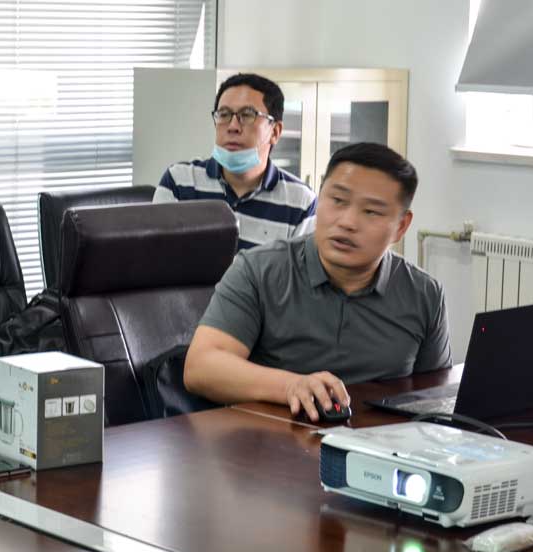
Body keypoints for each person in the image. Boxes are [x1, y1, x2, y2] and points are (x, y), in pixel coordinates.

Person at [183, 143, 451, 420]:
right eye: (338, 200)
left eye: (371, 211)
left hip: (377, 440)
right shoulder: (258, 270)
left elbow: (434, 394)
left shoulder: (424, 294)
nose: (347, 222)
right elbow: (201, 368)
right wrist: (291, 386)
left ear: (401, 226)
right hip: (272, 435)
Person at [153, 72, 316, 250]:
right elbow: (156, 258)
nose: (232, 126)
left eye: (247, 115)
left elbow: (298, 268)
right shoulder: (179, 181)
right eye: (224, 114)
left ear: (275, 132)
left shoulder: (301, 202)